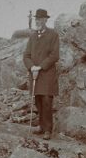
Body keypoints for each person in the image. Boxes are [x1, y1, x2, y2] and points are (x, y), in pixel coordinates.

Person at [22, 8, 60, 140]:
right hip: (34, 74)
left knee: (46, 101)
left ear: (45, 20)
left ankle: (48, 129)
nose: (37, 21)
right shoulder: (32, 36)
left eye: (39, 19)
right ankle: (41, 126)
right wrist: (31, 66)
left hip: (47, 74)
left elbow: (55, 55)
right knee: (37, 100)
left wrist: (40, 66)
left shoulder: (53, 35)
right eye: (36, 19)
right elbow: (26, 55)